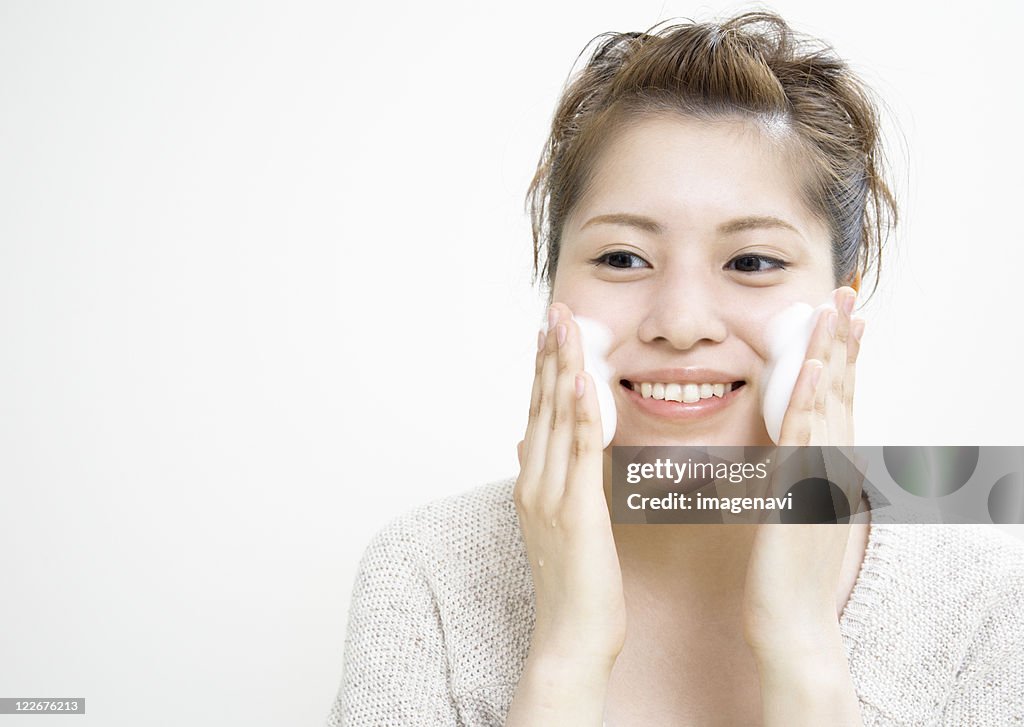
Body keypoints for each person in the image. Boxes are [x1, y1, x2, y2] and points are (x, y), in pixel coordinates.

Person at [326, 11, 1024, 726]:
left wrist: (803, 649)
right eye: (623, 258)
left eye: (753, 261)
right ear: (554, 285)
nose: (682, 322)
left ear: (843, 297)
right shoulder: (427, 574)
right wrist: (568, 653)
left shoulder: (983, 598)